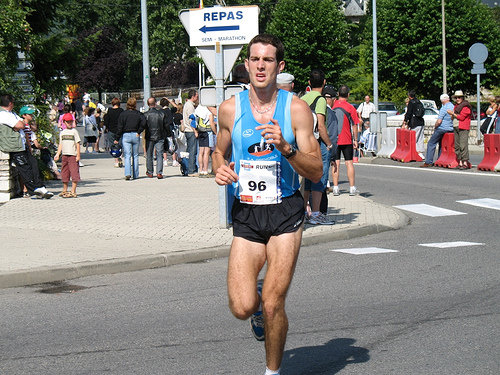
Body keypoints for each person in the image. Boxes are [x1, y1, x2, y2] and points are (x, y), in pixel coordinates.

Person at [212, 33, 322, 375]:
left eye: (268, 60)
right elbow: (219, 150)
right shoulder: (230, 109)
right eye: (255, 59)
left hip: (285, 212)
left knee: (274, 304)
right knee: (243, 307)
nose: (261, 66)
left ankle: (272, 372)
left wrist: (287, 149)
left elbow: (316, 169)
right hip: (246, 212)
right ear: (246, 65)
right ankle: (256, 308)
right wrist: (219, 168)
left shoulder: (297, 109)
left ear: (279, 66)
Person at [0, 96, 53, 198]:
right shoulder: (3, 115)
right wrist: (18, 125)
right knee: (25, 168)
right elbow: (20, 125)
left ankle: (40, 187)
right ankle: (33, 191)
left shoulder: (12, 114)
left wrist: (19, 125)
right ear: (10, 103)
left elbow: (22, 124)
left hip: (21, 144)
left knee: (33, 164)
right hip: (13, 145)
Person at [300, 69, 335, 225]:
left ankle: (302, 212)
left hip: (303, 142)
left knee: (306, 178)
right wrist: (329, 144)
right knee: (319, 178)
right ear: (324, 82)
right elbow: (321, 126)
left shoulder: (302, 99)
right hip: (317, 143)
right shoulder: (320, 100)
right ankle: (316, 213)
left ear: (309, 83)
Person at [332, 85, 360, 196]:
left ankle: (335, 188)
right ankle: (352, 188)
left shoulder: (332, 106)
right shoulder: (351, 108)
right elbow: (354, 125)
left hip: (334, 139)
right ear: (348, 95)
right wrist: (356, 139)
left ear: (338, 94)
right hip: (347, 139)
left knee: (336, 164)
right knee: (349, 163)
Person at [115, 97, 146, 180]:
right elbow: (144, 123)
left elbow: (120, 127)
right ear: (135, 104)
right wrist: (139, 131)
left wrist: (117, 138)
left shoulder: (123, 114)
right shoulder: (139, 114)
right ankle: (135, 174)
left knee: (127, 155)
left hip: (126, 135)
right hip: (135, 134)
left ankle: (127, 173)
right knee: (135, 155)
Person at [421, 93, 454, 167]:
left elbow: (439, 121)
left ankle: (429, 161)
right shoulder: (453, 106)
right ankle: (440, 159)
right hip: (451, 129)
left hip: (442, 128)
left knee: (431, 143)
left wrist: (435, 126)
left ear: (442, 100)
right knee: (442, 145)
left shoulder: (444, 108)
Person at [54, 113, 81, 197]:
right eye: (67, 122)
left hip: (73, 155)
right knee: (64, 173)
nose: (69, 123)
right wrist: (58, 154)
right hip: (65, 155)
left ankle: (73, 191)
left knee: (74, 173)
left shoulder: (74, 132)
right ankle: (65, 190)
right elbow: (60, 144)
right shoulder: (62, 133)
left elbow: (77, 144)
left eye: (71, 121)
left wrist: (78, 155)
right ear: (64, 122)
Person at [144, 97, 169, 179]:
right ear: (155, 103)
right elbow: (166, 125)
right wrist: (168, 134)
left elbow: (143, 126)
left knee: (149, 155)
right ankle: (159, 172)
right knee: (159, 154)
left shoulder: (145, 115)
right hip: (160, 136)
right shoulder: (161, 114)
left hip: (149, 136)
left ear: (148, 104)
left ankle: (150, 172)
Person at [447, 90, 472, 169]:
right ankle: (460, 162)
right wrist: (452, 115)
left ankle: (465, 162)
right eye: (456, 98)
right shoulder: (456, 106)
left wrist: (452, 114)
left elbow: (461, 117)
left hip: (463, 127)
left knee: (463, 145)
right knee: (457, 146)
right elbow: (453, 117)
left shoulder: (465, 106)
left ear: (462, 98)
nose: (457, 99)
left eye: (459, 97)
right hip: (456, 126)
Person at [193, 104, 216, 176]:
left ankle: (201, 169)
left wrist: (195, 131)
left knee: (201, 152)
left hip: (200, 131)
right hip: (208, 132)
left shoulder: (198, 110)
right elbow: (211, 123)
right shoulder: (209, 112)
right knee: (206, 152)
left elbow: (192, 121)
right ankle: (205, 170)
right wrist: (216, 132)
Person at [403, 90, 425, 159]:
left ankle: (415, 153)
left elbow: (409, 113)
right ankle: (420, 153)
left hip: (414, 122)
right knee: (420, 138)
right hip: (421, 122)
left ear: (409, 96)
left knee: (413, 138)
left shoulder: (411, 103)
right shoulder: (419, 102)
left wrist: (405, 121)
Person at [182, 89, 199, 176]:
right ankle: (191, 170)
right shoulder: (190, 106)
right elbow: (191, 120)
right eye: (197, 96)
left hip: (187, 130)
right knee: (192, 151)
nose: (198, 97)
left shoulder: (187, 105)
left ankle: (187, 168)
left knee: (189, 150)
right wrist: (195, 131)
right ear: (193, 97)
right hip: (190, 130)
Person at [103, 97, 124, 167]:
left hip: (111, 130)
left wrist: (106, 127)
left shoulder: (109, 110)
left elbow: (106, 120)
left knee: (113, 146)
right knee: (120, 144)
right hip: (119, 130)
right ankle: (120, 156)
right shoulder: (121, 111)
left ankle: (116, 160)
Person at [355, 95, 375, 162]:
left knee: (369, 135)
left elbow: (374, 112)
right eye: (366, 98)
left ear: (369, 99)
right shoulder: (362, 104)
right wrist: (360, 118)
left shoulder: (372, 105)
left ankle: (371, 149)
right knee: (363, 135)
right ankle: (362, 152)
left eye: (368, 98)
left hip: (369, 119)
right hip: (363, 119)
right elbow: (358, 112)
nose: (367, 100)